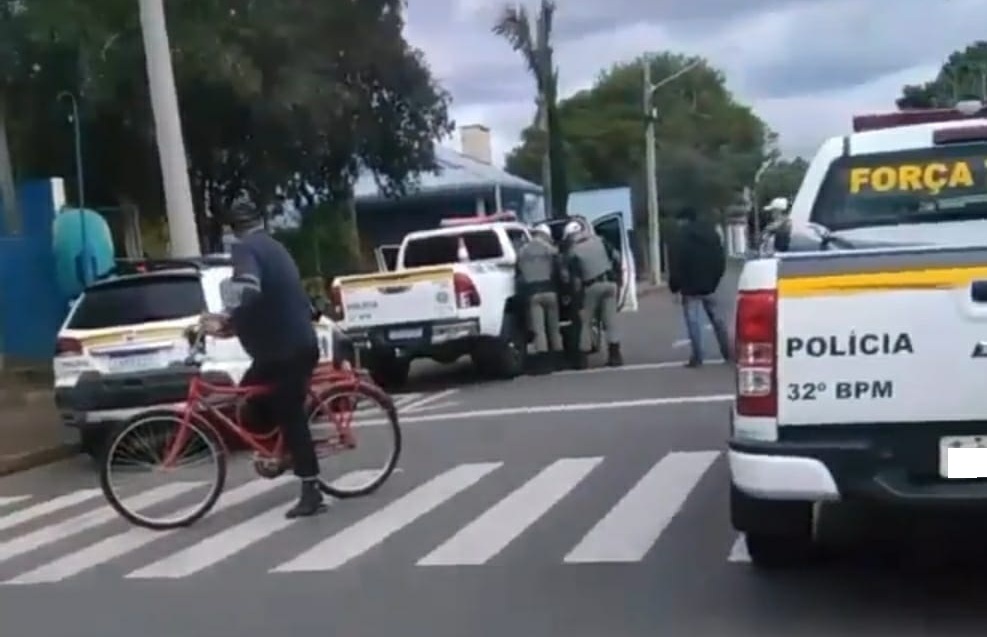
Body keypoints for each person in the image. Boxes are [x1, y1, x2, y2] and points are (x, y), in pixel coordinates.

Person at [205, 200, 326, 519]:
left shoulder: (246, 250)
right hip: (279, 350)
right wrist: (233, 323)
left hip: (288, 350)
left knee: (289, 413)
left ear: (233, 229)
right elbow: (267, 300)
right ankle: (283, 452)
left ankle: (311, 488)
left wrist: (229, 314)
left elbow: (249, 289)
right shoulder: (274, 246)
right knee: (249, 399)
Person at [667, 206, 732, 367]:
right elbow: (720, 260)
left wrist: (675, 286)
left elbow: (676, 263)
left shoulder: (679, 238)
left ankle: (697, 356)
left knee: (693, 322)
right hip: (711, 285)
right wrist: (715, 279)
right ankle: (728, 353)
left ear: (683, 220)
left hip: (689, 287)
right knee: (718, 320)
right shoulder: (712, 234)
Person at [563, 220, 623, 369]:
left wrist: (576, 300)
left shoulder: (573, 252)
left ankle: (582, 359)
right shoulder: (600, 240)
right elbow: (617, 257)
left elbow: (574, 279)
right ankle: (615, 356)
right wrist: (618, 278)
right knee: (610, 321)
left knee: (586, 322)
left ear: (570, 236)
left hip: (591, 286)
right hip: (610, 283)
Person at [516, 223, 565, 374]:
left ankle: (544, 364)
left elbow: (519, 272)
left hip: (533, 294)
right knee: (554, 328)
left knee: (539, 330)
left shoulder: (522, 251)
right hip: (550, 291)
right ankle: (559, 361)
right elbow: (560, 268)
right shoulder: (550, 249)